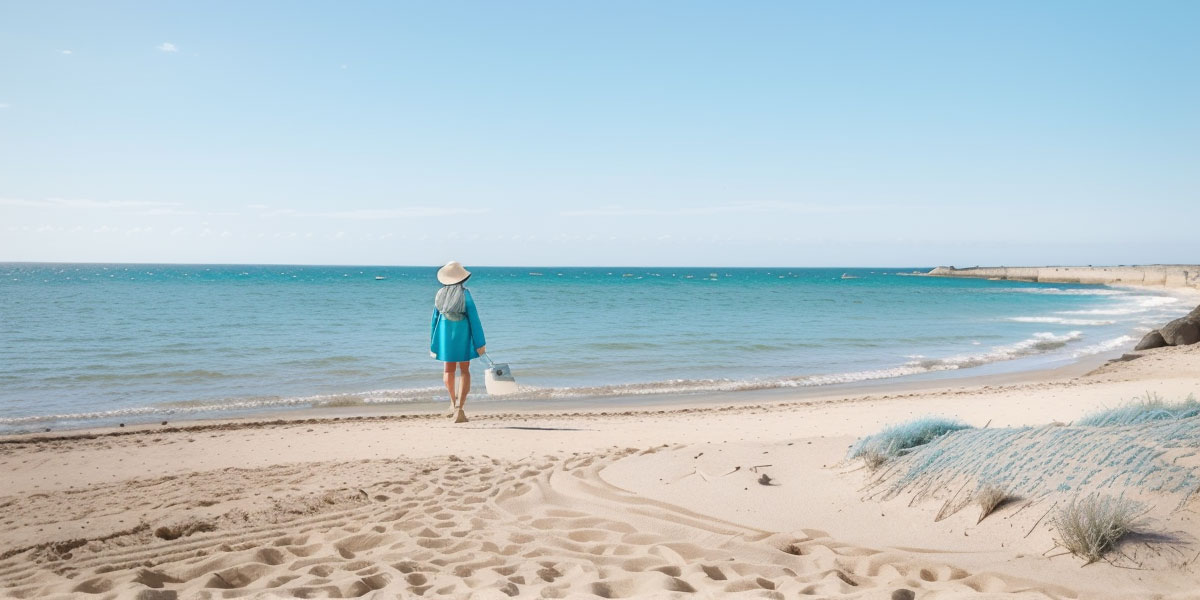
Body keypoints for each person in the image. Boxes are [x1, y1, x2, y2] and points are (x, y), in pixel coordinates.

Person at [430, 261, 486, 423]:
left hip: (444, 333)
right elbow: (474, 318)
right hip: (462, 332)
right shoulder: (465, 294)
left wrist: (434, 342)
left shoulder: (439, 294)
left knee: (448, 370)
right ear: (461, 278)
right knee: (464, 370)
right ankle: (459, 409)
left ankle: (452, 404)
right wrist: (479, 342)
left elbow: (435, 319)